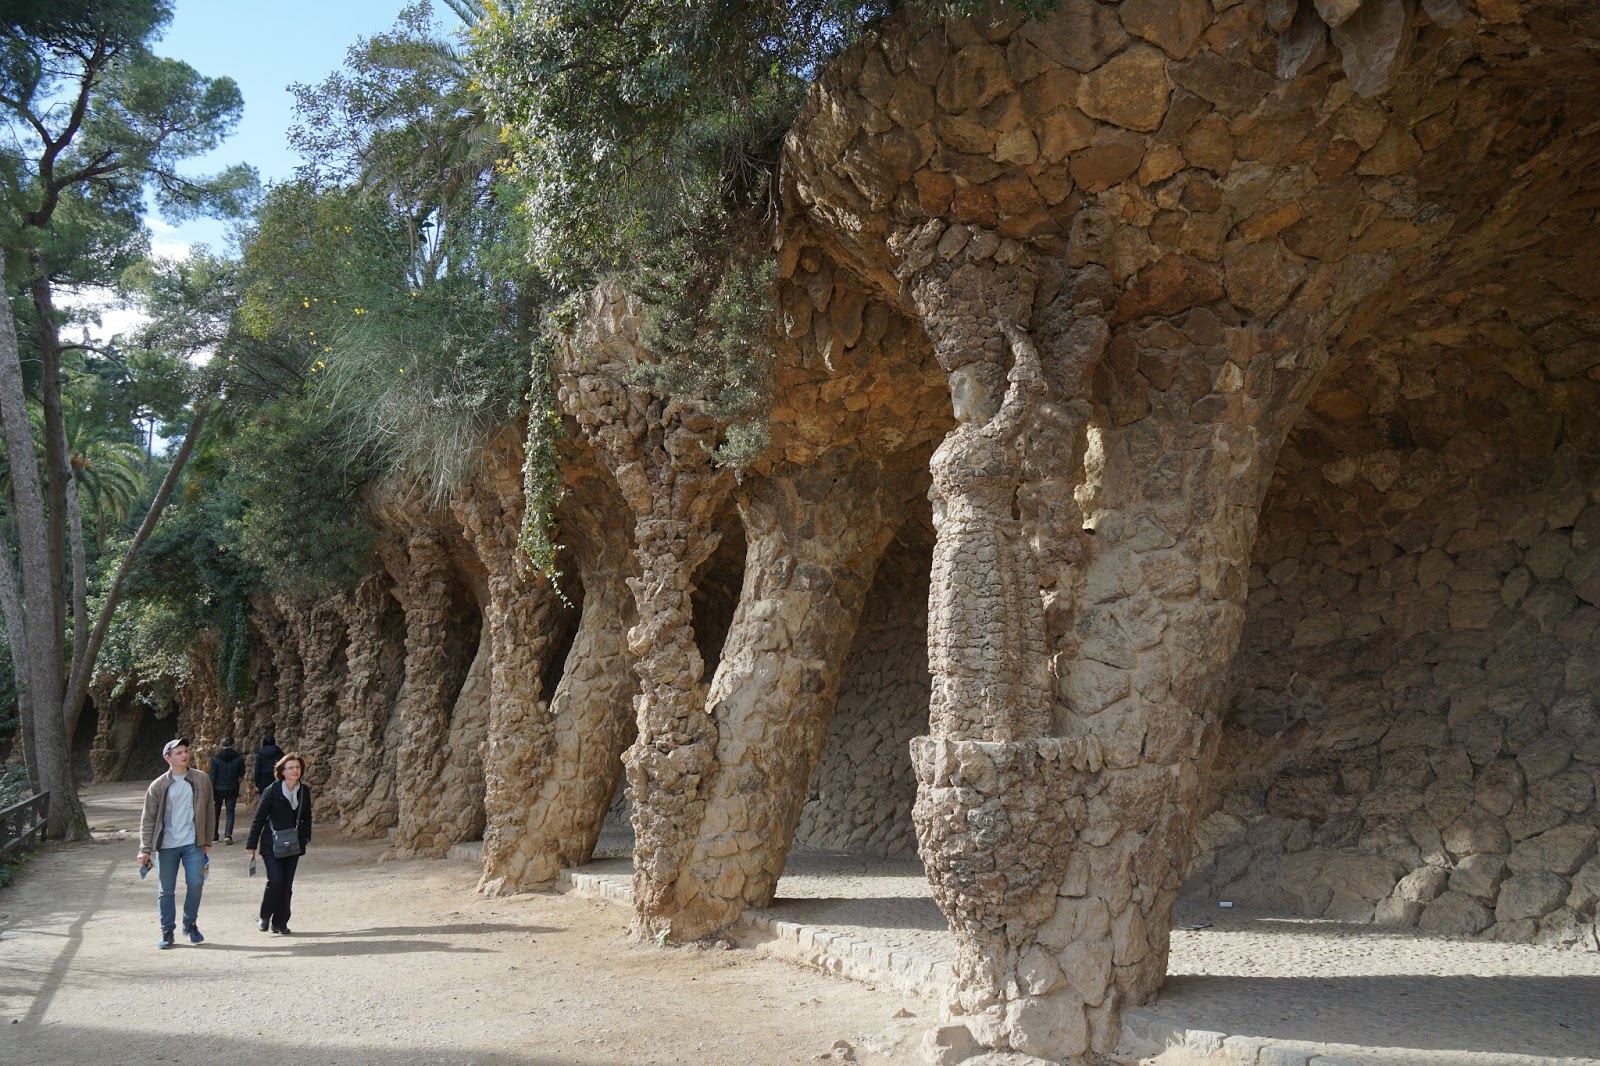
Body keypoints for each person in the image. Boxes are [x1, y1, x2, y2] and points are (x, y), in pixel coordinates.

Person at [137, 738, 215, 949]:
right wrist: (145, 848)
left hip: (193, 842)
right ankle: (167, 931)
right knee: (166, 890)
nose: (184, 755)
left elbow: (209, 809)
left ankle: (190, 924)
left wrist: (207, 839)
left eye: (185, 751)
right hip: (167, 844)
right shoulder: (158, 785)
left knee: (196, 883)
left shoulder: (201, 779)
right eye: (178, 752)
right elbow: (148, 819)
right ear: (168, 758)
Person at [246, 752, 312, 935]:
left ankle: (280, 923)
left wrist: (305, 838)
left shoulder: (304, 791)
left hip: (293, 844)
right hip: (271, 843)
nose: (295, 770)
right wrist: (251, 844)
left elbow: (307, 817)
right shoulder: (272, 790)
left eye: (297, 767)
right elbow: (259, 817)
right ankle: (265, 916)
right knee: (275, 881)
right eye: (290, 767)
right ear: (282, 771)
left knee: (287, 886)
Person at [208, 737, 245, 844]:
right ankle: (228, 834)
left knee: (216, 812)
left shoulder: (215, 759)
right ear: (233, 744)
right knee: (230, 812)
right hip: (232, 788)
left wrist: (211, 789)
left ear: (221, 745)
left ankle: (214, 835)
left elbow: (212, 776)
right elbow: (241, 773)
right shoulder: (238, 758)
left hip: (217, 789)